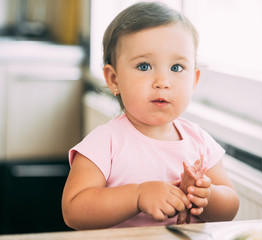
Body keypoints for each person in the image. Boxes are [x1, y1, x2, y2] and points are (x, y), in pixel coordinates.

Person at [62, 1, 239, 230]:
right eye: (144, 66)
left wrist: (206, 195)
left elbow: (230, 208)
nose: (162, 82)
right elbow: (74, 211)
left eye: (176, 68)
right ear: (114, 79)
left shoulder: (199, 140)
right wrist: (137, 196)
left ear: (194, 80)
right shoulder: (105, 142)